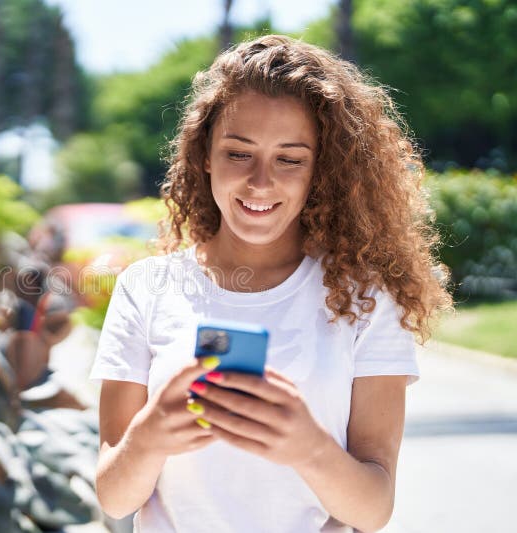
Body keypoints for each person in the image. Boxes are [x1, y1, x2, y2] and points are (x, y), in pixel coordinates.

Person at [88, 34, 452, 533]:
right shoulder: (144, 288)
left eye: (290, 159)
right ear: (205, 157)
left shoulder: (365, 299)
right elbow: (114, 498)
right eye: (239, 154)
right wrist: (150, 435)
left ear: (319, 171)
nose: (261, 182)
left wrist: (306, 446)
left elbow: (373, 510)